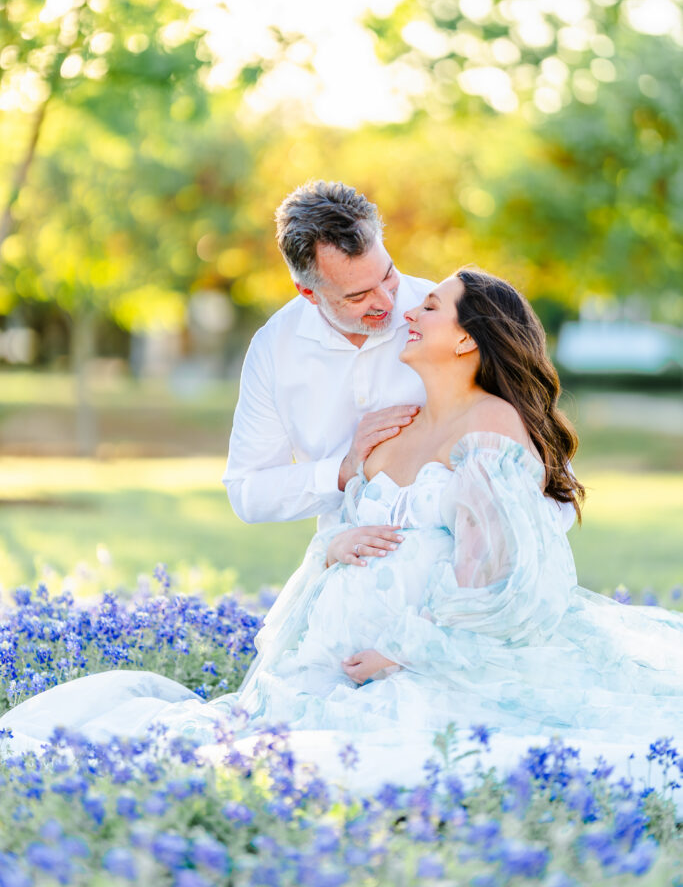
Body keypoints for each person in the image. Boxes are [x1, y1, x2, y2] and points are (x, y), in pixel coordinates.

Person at [2, 267, 682, 811]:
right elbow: (333, 528)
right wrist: (333, 545)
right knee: (229, 743)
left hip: (423, 663)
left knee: (374, 759)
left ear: (468, 339)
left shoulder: (492, 427)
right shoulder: (396, 423)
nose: (409, 310)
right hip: (326, 663)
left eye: (431, 306)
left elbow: (511, 582)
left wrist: (403, 649)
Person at [222, 179, 575, 533]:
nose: (389, 303)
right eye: (358, 296)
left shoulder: (446, 320)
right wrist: (344, 471)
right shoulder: (274, 349)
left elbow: (542, 479)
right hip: (350, 553)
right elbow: (247, 491)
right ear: (308, 293)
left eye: (388, 274)